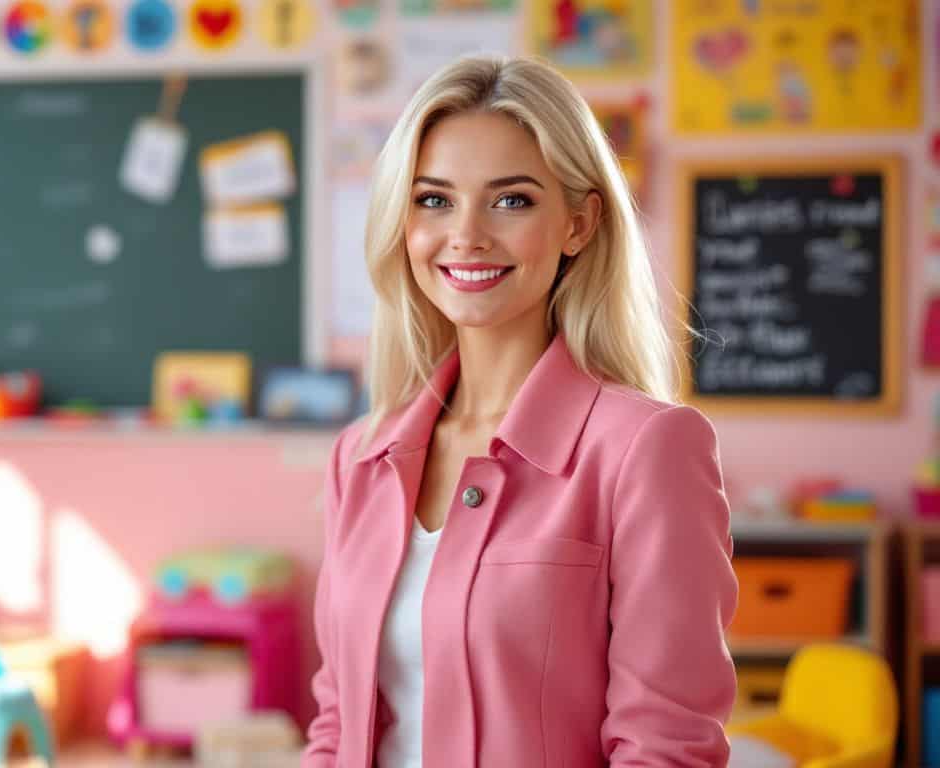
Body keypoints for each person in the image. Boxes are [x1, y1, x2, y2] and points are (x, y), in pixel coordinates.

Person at [303, 55, 737, 767]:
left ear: (578, 222)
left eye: (511, 200)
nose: (466, 235)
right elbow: (337, 724)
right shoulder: (361, 456)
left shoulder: (647, 449)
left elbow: (666, 750)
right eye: (433, 199)